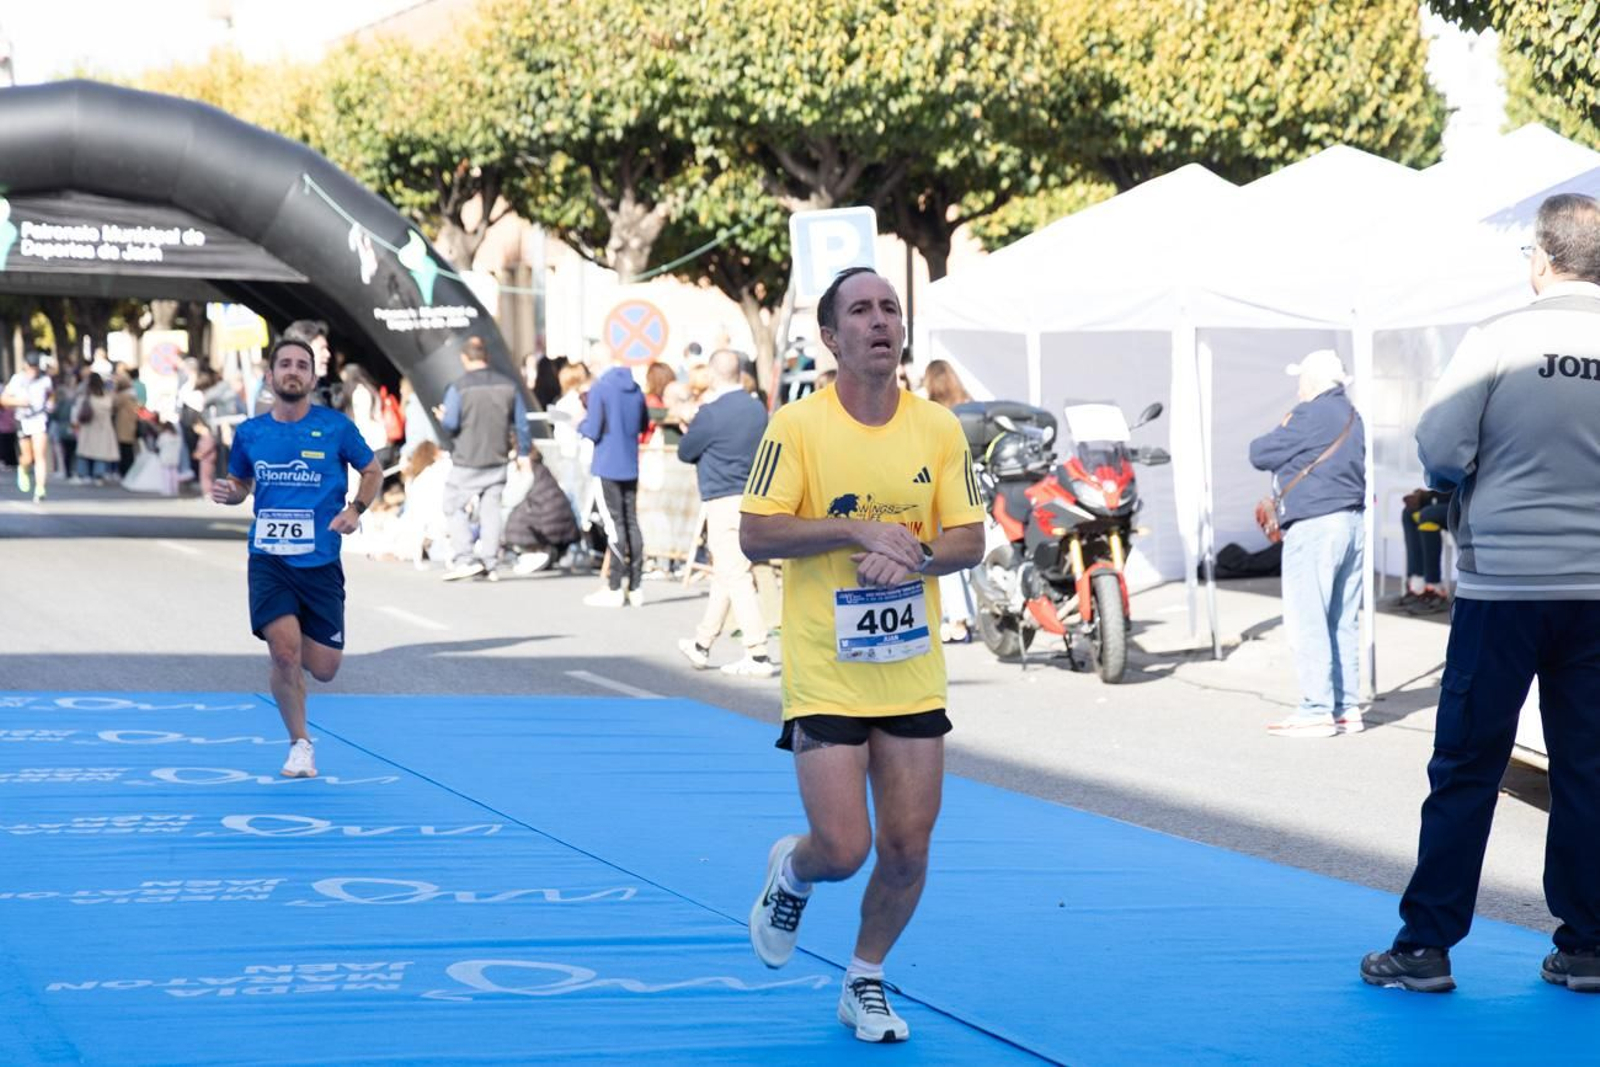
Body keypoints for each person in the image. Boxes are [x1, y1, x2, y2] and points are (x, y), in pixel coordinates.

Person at [1361, 193, 1600, 996]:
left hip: (1505, 585)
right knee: (1587, 769)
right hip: (1596, 589)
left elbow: (1439, 443)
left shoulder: (1499, 339)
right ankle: (1587, 945)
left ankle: (1426, 946)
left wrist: (1462, 480)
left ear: (1540, 258)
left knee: (1467, 764)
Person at [739, 267, 984, 1043]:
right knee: (846, 847)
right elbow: (756, 532)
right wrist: (853, 530)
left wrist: (913, 554)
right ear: (831, 337)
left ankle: (865, 979)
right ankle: (793, 869)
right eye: (862, 310)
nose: (880, 321)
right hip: (826, 667)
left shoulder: (940, 429)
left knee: (908, 847)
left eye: (890, 308)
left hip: (909, 666)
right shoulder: (796, 427)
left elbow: (968, 539)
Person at [211, 337, 382, 779]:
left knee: (324, 668)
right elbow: (241, 484)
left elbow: (372, 470)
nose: (293, 371)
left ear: (311, 377)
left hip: (321, 560)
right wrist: (229, 493)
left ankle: (296, 646)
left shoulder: (336, 428)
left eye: (301, 365)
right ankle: (300, 744)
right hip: (269, 559)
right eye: (284, 364)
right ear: (270, 377)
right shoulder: (250, 433)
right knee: (284, 654)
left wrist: (355, 509)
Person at [1247, 348, 1366, 739]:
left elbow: (1259, 453)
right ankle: (1346, 707)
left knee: (1308, 618)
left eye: (1301, 381)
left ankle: (1316, 709)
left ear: (1313, 382)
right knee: (1342, 619)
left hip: (1315, 527)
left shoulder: (1309, 414)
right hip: (1351, 523)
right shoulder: (1352, 415)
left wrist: (1286, 425)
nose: (1298, 388)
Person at [676, 348, 774, 676]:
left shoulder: (711, 412)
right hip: (754, 497)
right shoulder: (757, 409)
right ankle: (702, 642)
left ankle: (757, 651)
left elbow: (686, 451)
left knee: (735, 574)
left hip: (722, 498)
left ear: (715, 375)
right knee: (727, 571)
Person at [434, 335, 532, 582]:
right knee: (491, 510)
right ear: (486, 358)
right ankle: (491, 563)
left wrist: (443, 417)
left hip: (468, 458)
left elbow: (452, 424)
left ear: (464, 358)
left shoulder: (459, 387)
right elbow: (521, 423)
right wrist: (523, 452)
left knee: (453, 505)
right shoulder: (509, 385)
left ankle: (465, 558)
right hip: (498, 457)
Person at [579, 344, 648, 607]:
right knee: (631, 521)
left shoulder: (600, 388)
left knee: (614, 523)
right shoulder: (635, 387)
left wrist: (578, 422)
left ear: (596, 363)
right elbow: (642, 424)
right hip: (630, 461)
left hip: (607, 462)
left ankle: (615, 586)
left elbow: (593, 429)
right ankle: (636, 584)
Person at [920, 360, 978, 644]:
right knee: (970, 555)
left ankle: (957, 619)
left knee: (944, 555)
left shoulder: (933, 415)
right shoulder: (970, 406)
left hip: (943, 490)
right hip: (976, 488)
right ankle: (968, 615)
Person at [1, 352, 54, 501]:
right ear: (26, 366)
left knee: (40, 454)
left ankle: (40, 488)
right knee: (27, 457)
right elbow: (3, 400)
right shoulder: (17, 380)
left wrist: (50, 403)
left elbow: (51, 394)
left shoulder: (45, 380)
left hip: (39, 419)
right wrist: (19, 402)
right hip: (23, 420)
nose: (33, 370)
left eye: (35, 367)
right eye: (31, 367)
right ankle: (23, 468)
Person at [1398, 488, 1451, 614]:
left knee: (1428, 514)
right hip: (1445, 500)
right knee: (1409, 512)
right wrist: (1424, 496)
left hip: (1464, 503)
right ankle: (1418, 586)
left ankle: (1435, 589)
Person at [72, 372, 118, 484]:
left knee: (84, 452)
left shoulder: (86, 398)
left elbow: (77, 413)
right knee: (100, 453)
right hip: (104, 428)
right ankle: (99, 476)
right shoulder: (107, 399)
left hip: (88, 428)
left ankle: (83, 475)